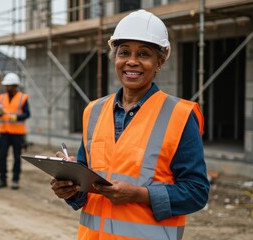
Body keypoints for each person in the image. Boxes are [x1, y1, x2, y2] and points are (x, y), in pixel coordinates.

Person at [50, 9, 210, 240]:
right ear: (115, 57)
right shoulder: (93, 111)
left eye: (144, 54)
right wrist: (69, 189)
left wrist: (140, 194)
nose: (132, 61)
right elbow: (86, 191)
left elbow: (196, 193)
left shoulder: (180, 115)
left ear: (159, 61)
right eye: (124, 52)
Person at [0, 73, 30, 190]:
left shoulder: (23, 98)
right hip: (4, 132)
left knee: (16, 157)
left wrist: (17, 117)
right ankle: (2, 179)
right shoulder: (1, 97)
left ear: (15, 86)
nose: (7, 88)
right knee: (1, 156)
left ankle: (15, 180)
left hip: (17, 133)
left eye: (9, 86)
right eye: (6, 85)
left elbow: (27, 114)